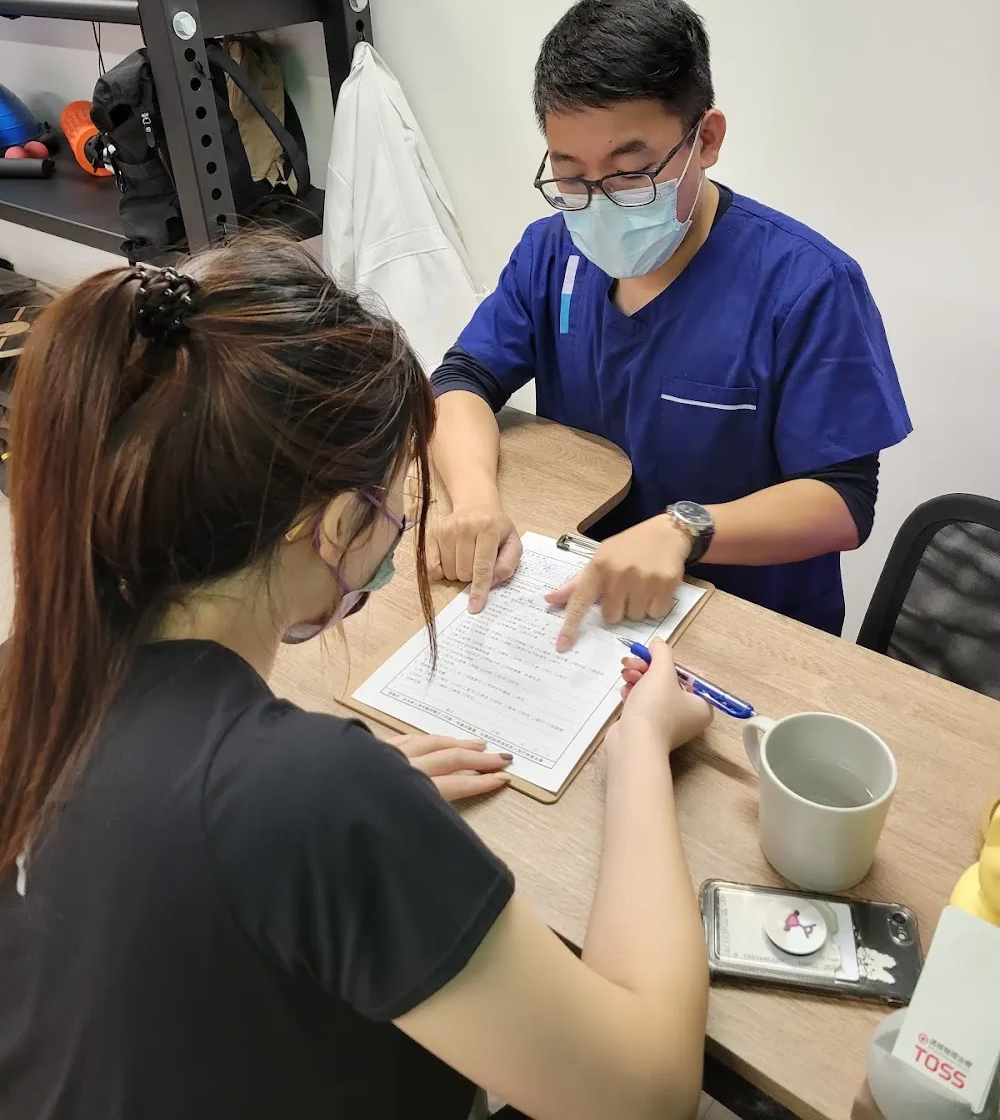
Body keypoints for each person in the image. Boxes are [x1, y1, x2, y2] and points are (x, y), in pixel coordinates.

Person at [0, 239, 712, 1120]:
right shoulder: (308, 797)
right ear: (337, 524)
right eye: (396, 500)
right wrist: (638, 747)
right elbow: (647, 1093)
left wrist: (339, 820)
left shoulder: (28, 669)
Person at [430, 0, 911, 643]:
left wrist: (685, 529)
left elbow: (844, 502)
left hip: (741, 627)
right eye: (570, 175)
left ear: (705, 139)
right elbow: (461, 379)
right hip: (581, 599)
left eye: (630, 173)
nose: (597, 202)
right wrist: (475, 502)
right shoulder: (553, 253)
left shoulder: (806, 286)